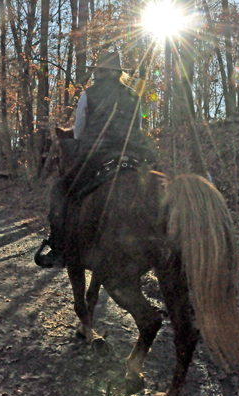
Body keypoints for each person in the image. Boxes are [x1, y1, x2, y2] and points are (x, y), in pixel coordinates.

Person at [37, 50, 155, 268]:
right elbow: (137, 127)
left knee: (60, 190)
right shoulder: (133, 95)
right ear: (119, 72)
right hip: (133, 154)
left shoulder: (88, 94)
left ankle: (59, 248)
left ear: (99, 71)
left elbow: (79, 132)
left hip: (97, 155)